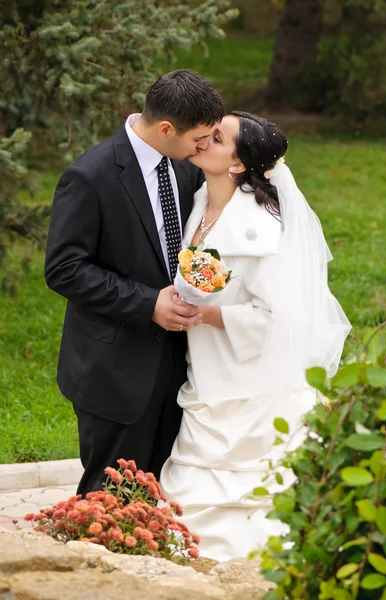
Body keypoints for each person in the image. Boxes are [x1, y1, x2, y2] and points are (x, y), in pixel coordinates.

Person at [159, 111, 351, 561]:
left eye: (218, 137)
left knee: (249, 496)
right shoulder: (201, 197)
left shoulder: (263, 227)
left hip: (247, 383)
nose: (204, 138)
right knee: (192, 479)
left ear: (238, 164)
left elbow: (278, 318)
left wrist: (206, 315)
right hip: (206, 373)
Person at [44, 69, 224, 496]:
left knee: (159, 495)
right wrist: (148, 304)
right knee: (111, 498)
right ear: (166, 128)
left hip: (180, 365)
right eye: (199, 138)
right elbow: (65, 268)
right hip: (114, 371)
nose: (203, 147)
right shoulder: (90, 176)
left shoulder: (185, 170)